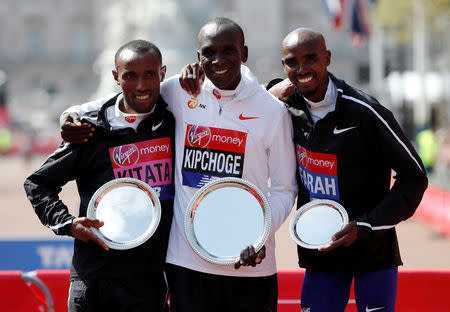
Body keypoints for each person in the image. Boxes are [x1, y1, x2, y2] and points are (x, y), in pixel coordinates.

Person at [60, 18, 297, 312]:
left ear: (244, 53)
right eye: (209, 53)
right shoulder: (181, 91)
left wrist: (260, 234)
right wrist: (69, 115)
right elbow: (125, 97)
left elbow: (286, 188)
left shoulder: (271, 111)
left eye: (228, 51)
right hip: (186, 263)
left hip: (250, 264)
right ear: (198, 58)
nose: (218, 60)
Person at [266, 28, 428, 312]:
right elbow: (245, 104)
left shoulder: (366, 112)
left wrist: (366, 225)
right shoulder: (283, 107)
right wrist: (272, 89)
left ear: (327, 58)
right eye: (292, 62)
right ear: (284, 66)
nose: (302, 68)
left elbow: (414, 177)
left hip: (373, 252)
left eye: (311, 58)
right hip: (321, 253)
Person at [24, 39, 175, 312]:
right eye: (130, 76)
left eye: (149, 75)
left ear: (162, 74)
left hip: (149, 282)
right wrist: (68, 223)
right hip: (93, 278)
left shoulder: (174, 123)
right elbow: (38, 183)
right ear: (116, 77)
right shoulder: (90, 131)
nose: (141, 85)